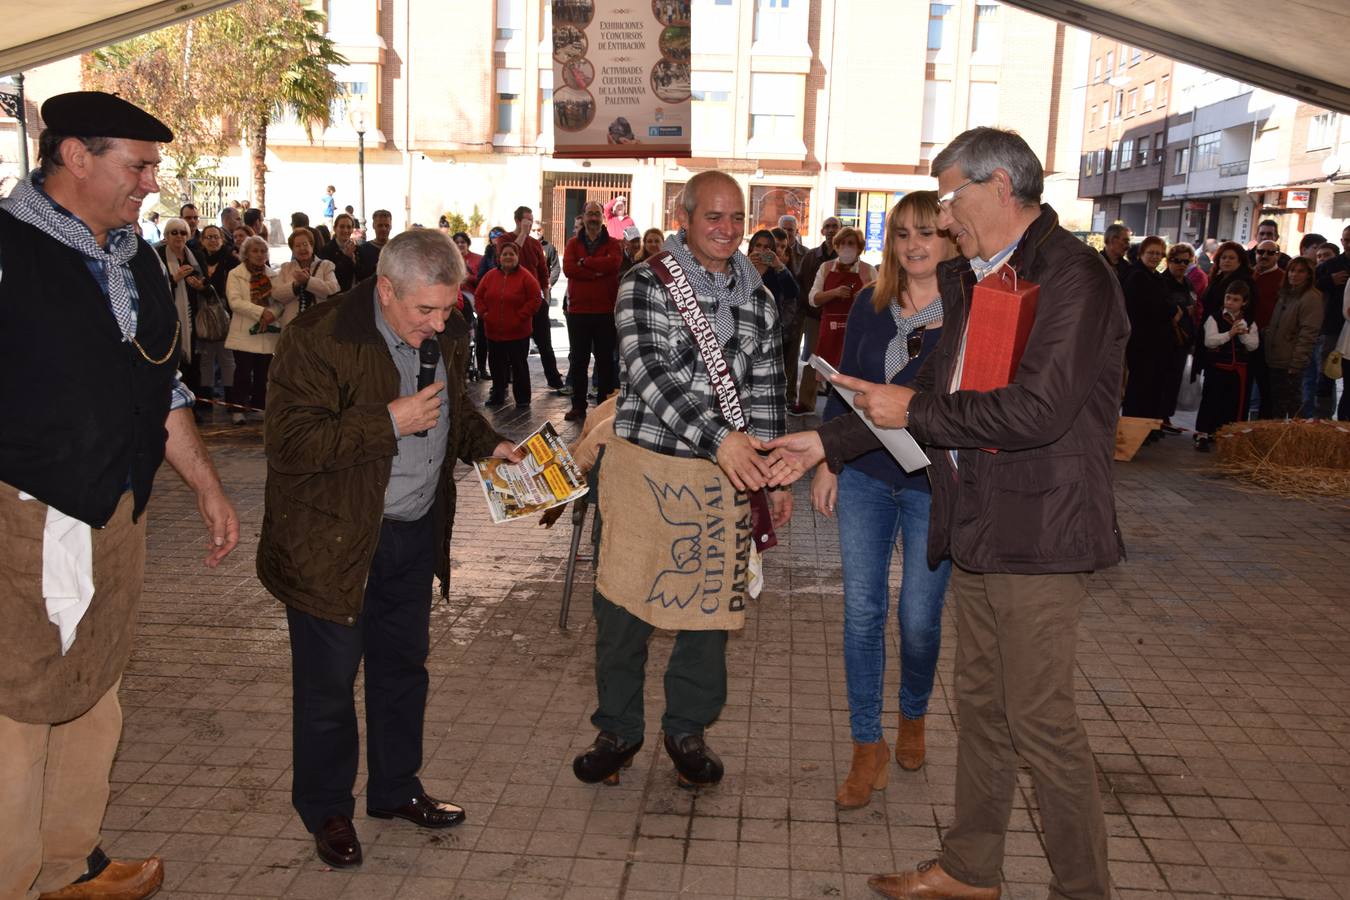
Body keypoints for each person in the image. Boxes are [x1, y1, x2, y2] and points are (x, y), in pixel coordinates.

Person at [766, 127, 1126, 900]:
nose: (945, 215)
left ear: (999, 187)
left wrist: (917, 412)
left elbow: (1037, 410)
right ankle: (970, 870)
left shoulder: (1073, 278)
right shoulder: (980, 279)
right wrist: (825, 443)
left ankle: (1083, 889)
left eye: (951, 197)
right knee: (984, 712)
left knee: (1041, 723)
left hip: (1041, 535)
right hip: (980, 526)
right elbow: (927, 390)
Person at [0, 89, 239, 900]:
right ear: (75, 156)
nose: (151, 183)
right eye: (137, 167)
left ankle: (70, 864)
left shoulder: (133, 255)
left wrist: (207, 485)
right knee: (19, 704)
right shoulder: (9, 247)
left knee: (96, 686)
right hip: (25, 516)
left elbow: (160, 384)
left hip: (116, 509)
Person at [258, 228, 519, 869]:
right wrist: (388, 422)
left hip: (413, 533)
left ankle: (396, 789)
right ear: (384, 290)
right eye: (424, 310)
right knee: (328, 686)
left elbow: (451, 410)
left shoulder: (448, 330)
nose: (439, 324)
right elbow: (289, 444)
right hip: (332, 541)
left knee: (403, 671)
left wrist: (491, 446)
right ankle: (328, 810)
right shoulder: (319, 337)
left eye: (448, 308)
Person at [572, 170, 791, 790]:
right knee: (621, 606)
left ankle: (687, 731)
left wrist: (774, 476)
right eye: (712, 217)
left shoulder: (759, 297)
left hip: (724, 480)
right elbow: (647, 373)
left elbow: (768, 390)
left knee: (709, 615)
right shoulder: (646, 282)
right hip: (644, 470)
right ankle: (618, 730)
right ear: (684, 219)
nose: (726, 229)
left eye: (736, 218)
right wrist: (720, 438)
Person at [811, 193, 954, 810]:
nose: (915, 245)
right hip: (866, 477)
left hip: (932, 484)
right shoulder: (869, 305)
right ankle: (866, 745)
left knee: (919, 619)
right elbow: (841, 389)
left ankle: (913, 712)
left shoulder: (968, 314)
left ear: (950, 239)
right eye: (903, 234)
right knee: (862, 613)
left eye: (927, 232)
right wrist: (828, 460)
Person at [561, 200, 623, 422]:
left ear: (602, 217)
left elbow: (613, 265)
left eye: (597, 214)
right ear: (584, 217)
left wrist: (584, 262)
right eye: (590, 214)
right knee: (579, 361)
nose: (594, 218)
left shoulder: (614, 244)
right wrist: (597, 270)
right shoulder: (572, 244)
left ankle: (604, 407)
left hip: (605, 311)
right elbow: (568, 269)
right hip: (578, 312)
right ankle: (578, 406)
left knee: (605, 361)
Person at [493, 206, 565, 389]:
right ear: (517, 220)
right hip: (513, 302)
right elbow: (507, 258)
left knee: (545, 344)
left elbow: (542, 272)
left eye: (531, 221)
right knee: (515, 346)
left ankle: (554, 380)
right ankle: (506, 382)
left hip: (535, 300)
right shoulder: (504, 240)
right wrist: (523, 235)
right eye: (526, 220)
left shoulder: (535, 244)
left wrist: (546, 298)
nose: (530, 224)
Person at [225, 235, 287, 424]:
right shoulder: (235, 274)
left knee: (263, 374)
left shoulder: (273, 275)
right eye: (255, 251)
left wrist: (272, 314)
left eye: (263, 251)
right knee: (243, 373)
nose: (259, 255)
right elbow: (235, 302)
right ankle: (238, 409)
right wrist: (261, 312)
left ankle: (259, 406)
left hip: (267, 332)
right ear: (246, 253)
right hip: (244, 332)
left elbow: (280, 302)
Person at [1195, 280, 1259, 449]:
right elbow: (1210, 341)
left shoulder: (1249, 321)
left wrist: (1242, 333)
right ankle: (1203, 434)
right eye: (1228, 298)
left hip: (1238, 370)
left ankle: (1227, 436)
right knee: (1211, 401)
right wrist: (1230, 333)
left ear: (1244, 302)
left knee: (1233, 404)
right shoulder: (1214, 318)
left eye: (1235, 299)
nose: (1230, 302)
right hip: (1217, 368)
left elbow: (1253, 345)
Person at [476, 241, 542, 406]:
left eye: (511, 254)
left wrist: (521, 316)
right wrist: (484, 314)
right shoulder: (490, 276)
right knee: (496, 366)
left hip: (518, 332)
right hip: (493, 331)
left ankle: (522, 399)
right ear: (499, 257)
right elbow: (479, 296)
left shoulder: (526, 277)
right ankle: (497, 395)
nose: (508, 257)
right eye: (504, 254)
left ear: (517, 257)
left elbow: (535, 299)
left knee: (519, 366)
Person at [1120, 236, 1176, 427]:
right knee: (1140, 389)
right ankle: (1134, 430)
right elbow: (1153, 308)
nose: (1155, 257)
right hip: (1142, 343)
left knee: (1152, 389)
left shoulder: (1155, 276)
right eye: (1151, 253)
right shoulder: (1136, 276)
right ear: (1141, 253)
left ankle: (1147, 428)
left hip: (1156, 344)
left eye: (1159, 254)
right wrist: (1171, 310)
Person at [790, 216, 841, 415]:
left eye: (834, 226)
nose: (831, 230)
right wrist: (809, 307)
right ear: (822, 231)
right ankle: (806, 402)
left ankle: (839, 406)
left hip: (839, 318)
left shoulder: (846, 257)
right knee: (813, 358)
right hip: (813, 317)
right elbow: (800, 284)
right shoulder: (811, 256)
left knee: (838, 360)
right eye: (827, 226)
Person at [1263, 256, 1323, 419]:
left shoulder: (1311, 297)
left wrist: (1297, 362)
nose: (1294, 275)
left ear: (1309, 275)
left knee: (1293, 408)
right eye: (1292, 270)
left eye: (1300, 271)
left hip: (1291, 361)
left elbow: (1308, 333)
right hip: (1276, 357)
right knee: (1278, 406)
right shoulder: (1286, 293)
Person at [808, 226, 876, 371]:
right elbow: (813, 300)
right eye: (842, 243)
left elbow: (880, 302)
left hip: (857, 332)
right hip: (831, 331)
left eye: (851, 243)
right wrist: (834, 292)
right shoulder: (826, 268)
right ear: (837, 247)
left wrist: (864, 297)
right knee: (827, 374)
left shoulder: (869, 270)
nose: (846, 247)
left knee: (852, 373)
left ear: (859, 248)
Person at [747, 228, 799, 391]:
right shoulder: (741, 267)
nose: (761, 251)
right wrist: (745, 265)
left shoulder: (777, 272)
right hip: (746, 330)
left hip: (770, 332)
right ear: (751, 247)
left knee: (767, 381)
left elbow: (793, 292)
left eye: (767, 247)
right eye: (758, 246)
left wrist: (778, 266)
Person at [196, 224, 238, 419]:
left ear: (222, 240)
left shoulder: (231, 260)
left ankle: (231, 399)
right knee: (205, 358)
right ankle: (205, 399)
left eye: (216, 237)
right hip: (204, 315)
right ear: (202, 240)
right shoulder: (197, 259)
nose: (212, 240)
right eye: (208, 237)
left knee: (226, 358)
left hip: (226, 315)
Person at [1159, 242, 1200, 433]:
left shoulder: (1188, 283)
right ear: (1169, 261)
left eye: (1186, 261)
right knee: (1163, 381)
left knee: (1174, 381)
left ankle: (1166, 417)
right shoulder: (1162, 282)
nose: (1181, 265)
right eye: (1177, 261)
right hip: (1166, 340)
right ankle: (1158, 418)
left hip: (1183, 340)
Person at [1312, 226, 1350, 418]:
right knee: (1325, 376)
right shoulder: (1331, 265)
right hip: (1332, 327)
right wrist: (1329, 281)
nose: (1349, 244)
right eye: (1346, 240)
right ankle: (1323, 418)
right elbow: (1310, 285)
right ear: (1342, 241)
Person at [273, 228, 340, 324]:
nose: (302, 248)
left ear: (312, 246)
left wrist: (309, 281)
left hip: (319, 323)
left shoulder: (326, 265)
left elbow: (333, 289)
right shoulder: (286, 268)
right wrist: (295, 285)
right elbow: (276, 294)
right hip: (291, 325)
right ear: (292, 250)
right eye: (297, 246)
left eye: (305, 244)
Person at [1250, 240, 1286, 417]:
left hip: (1268, 340)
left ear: (1277, 256)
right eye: (1261, 251)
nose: (1264, 256)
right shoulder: (1250, 275)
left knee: (1266, 388)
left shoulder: (1283, 278)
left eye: (1270, 253)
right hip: (1245, 336)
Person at [452, 232, 487, 378]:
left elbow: (482, 279)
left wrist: (469, 278)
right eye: (457, 242)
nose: (460, 245)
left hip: (472, 295)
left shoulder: (478, 259)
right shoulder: (450, 259)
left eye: (463, 242)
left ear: (467, 243)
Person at [319, 211, 360, 292]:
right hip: (336, 295)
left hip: (354, 293)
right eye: (342, 227)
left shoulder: (357, 248)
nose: (345, 230)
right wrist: (346, 257)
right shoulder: (326, 250)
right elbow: (332, 276)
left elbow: (361, 275)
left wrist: (354, 261)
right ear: (335, 228)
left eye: (349, 227)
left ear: (352, 229)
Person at [355, 208, 393, 281]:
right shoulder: (362, 250)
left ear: (391, 226)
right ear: (373, 226)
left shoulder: (396, 249)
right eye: (380, 225)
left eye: (387, 225)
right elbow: (360, 277)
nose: (384, 229)